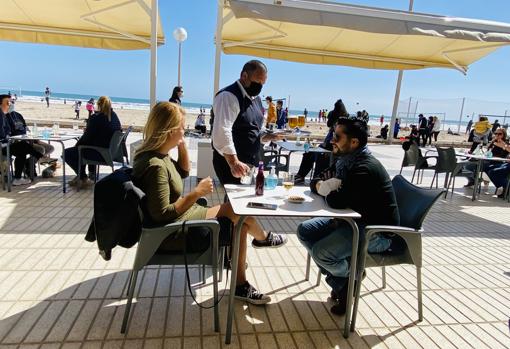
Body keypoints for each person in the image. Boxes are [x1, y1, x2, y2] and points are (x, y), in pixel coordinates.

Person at [133, 101, 278, 304]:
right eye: (182, 127)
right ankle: (259, 246)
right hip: (170, 233)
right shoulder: (155, 165)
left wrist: (181, 145)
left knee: (239, 219)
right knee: (239, 219)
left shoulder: (157, 156)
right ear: (169, 129)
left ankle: (250, 264)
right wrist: (196, 193)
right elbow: (162, 214)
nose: (185, 130)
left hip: (179, 221)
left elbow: (183, 172)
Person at [297, 118, 400, 316]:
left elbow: (336, 201)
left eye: (337, 136)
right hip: (351, 222)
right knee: (305, 230)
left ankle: (349, 280)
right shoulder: (345, 160)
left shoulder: (364, 168)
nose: (332, 140)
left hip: (375, 232)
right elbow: (316, 181)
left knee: (321, 253)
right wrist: (324, 187)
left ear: (354, 142)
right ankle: (345, 282)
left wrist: (327, 188)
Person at [211, 60, 287, 246]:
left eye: (263, 83)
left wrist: (268, 136)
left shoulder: (256, 99)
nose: (259, 86)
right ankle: (253, 241)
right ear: (244, 75)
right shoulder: (228, 96)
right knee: (237, 208)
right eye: (257, 81)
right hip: (232, 162)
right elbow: (222, 131)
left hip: (248, 163)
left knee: (239, 205)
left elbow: (251, 131)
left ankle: (230, 249)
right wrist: (233, 161)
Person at [64, 96, 121, 189]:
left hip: (100, 154)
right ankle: (84, 176)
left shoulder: (97, 118)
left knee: (68, 153)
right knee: (82, 149)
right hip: (110, 153)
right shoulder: (114, 117)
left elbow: (87, 137)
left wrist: (77, 145)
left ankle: (83, 177)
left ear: (98, 105)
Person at [294, 99, 349, 184]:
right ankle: (301, 175)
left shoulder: (341, 128)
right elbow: (327, 141)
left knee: (321, 157)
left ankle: (317, 180)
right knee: (308, 152)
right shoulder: (333, 128)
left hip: (333, 153)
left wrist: (325, 146)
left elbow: (338, 144)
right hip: (325, 149)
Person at [0, 95, 43, 185]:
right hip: (2, 146)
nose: (10, 104)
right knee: (23, 146)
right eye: (7, 103)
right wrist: (10, 138)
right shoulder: (1, 116)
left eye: (11, 102)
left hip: (7, 144)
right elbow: (3, 134)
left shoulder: (4, 115)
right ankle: (41, 158)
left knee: (22, 150)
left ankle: (18, 178)